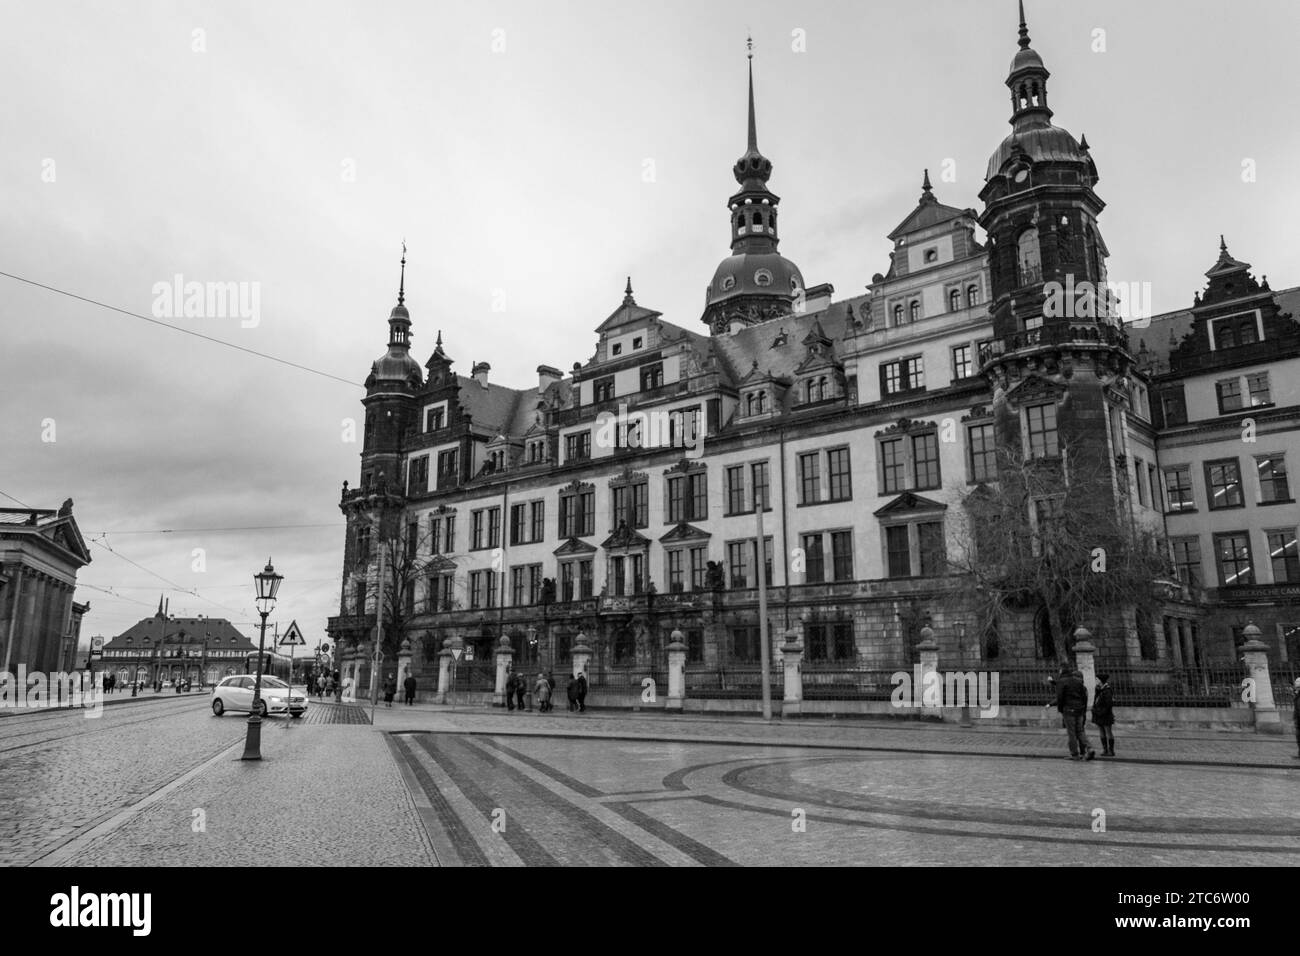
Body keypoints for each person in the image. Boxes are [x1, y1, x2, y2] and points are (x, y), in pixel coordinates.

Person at [1055, 663, 1095, 760]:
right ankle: (1089, 748)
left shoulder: (1061, 681)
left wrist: (1060, 709)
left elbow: (1060, 697)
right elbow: (1084, 696)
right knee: (1080, 731)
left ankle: (1075, 754)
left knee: (1072, 733)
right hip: (1080, 710)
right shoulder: (1077, 681)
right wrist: (1083, 708)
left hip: (1069, 710)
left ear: (1061, 670)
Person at [1092, 672, 1116, 756]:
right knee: (1101, 731)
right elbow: (1095, 701)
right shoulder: (1098, 689)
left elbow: (1108, 704)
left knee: (1108, 731)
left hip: (1105, 714)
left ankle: (1111, 750)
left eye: (1097, 679)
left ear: (1101, 680)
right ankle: (1105, 749)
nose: (1095, 681)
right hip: (1098, 713)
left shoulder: (1107, 690)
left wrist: (1102, 712)